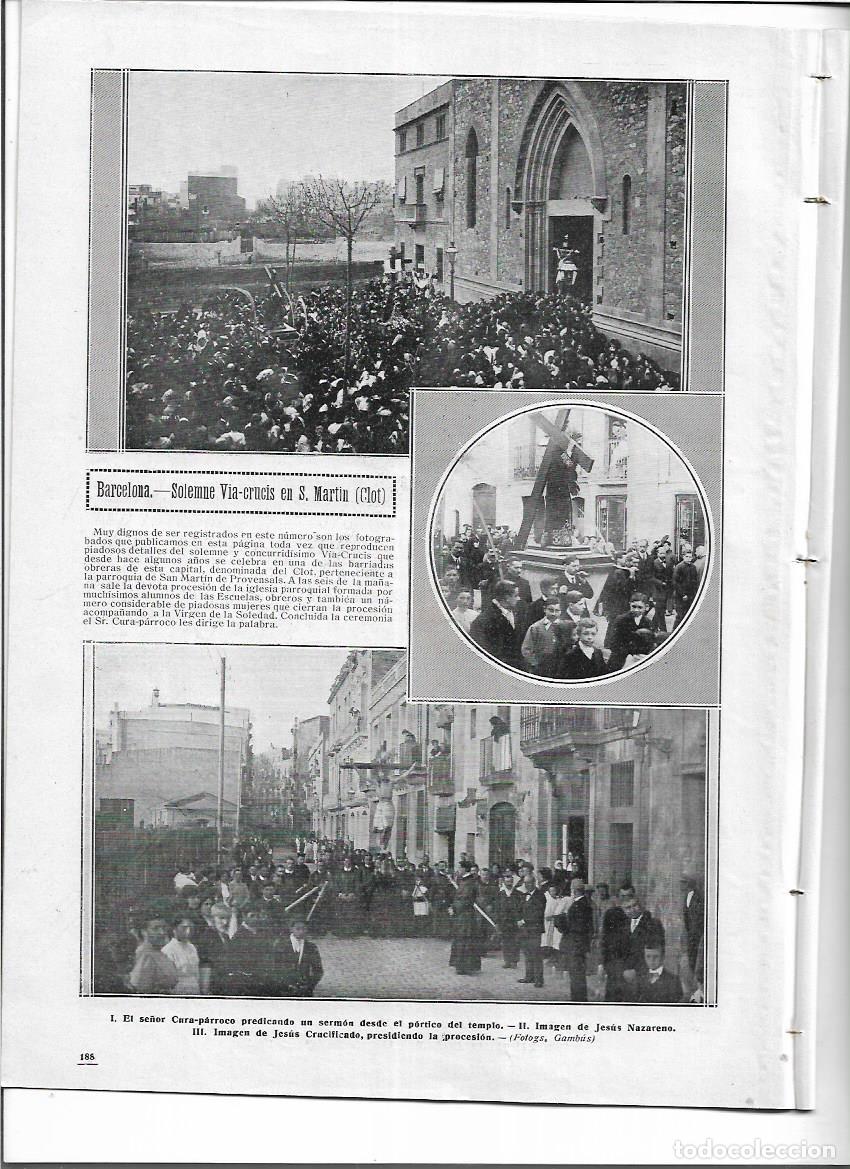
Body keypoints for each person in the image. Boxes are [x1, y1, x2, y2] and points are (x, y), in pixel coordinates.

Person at [469, 580, 526, 671]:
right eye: (516, 595)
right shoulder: (485, 620)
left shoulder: (516, 613)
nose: (519, 599)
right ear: (507, 597)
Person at [555, 880, 594, 1001]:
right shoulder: (585, 904)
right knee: (578, 974)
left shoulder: (577, 905)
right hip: (580, 943)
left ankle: (578, 1000)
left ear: (574, 890)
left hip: (575, 944)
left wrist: (559, 918)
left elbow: (570, 927)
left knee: (576, 974)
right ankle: (579, 998)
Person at [127, 914, 179, 994]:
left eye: (164, 928)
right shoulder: (146, 955)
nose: (162, 932)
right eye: (156, 929)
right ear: (144, 932)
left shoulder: (159, 953)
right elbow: (140, 988)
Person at [449, 861, 484, 975]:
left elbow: (465, 899)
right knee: (462, 939)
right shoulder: (465, 881)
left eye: (460, 868)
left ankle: (464, 966)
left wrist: (454, 908)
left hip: (465, 916)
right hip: (462, 915)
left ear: (464, 869)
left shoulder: (468, 882)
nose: (458, 870)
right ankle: (462, 965)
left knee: (464, 939)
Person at [606, 593, 656, 671]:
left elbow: (649, 643)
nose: (636, 610)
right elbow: (614, 642)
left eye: (640, 607)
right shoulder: (620, 620)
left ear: (646, 607)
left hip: (639, 658)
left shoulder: (648, 623)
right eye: (634, 606)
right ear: (630, 605)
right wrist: (629, 654)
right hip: (620, 657)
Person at [274, 919, 324, 997]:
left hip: (304, 991)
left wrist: (309, 986)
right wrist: (284, 984)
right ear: (291, 929)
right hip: (283, 991)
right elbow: (275, 968)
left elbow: (318, 970)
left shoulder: (311, 947)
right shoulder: (281, 945)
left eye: (304, 929)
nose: (301, 932)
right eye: (298, 929)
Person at [516, 871, 547, 987]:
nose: (527, 885)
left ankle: (539, 979)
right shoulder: (524, 895)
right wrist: (518, 919)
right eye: (525, 883)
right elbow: (519, 909)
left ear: (534, 883)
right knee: (527, 953)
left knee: (536, 954)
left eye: (529, 883)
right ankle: (529, 976)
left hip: (535, 929)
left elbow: (537, 914)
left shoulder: (540, 896)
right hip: (525, 929)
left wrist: (524, 920)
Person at [521, 597, 563, 675]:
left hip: (560, 668)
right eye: (551, 610)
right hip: (542, 668)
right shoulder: (535, 628)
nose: (554, 614)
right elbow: (526, 649)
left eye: (557, 611)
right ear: (544, 609)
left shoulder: (565, 626)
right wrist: (535, 664)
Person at [162, 915, 201, 996]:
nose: (188, 931)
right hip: (178, 991)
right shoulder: (168, 950)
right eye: (184, 928)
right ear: (174, 929)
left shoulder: (192, 947)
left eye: (191, 928)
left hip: (195, 990)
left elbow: (196, 973)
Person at [636, 938, 683, 1004]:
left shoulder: (674, 981)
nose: (652, 960)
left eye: (656, 957)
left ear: (663, 957)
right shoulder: (640, 978)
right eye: (648, 956)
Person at [495, 868, 524, 969]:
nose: (509, 883)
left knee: (515, 942)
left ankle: (514, 961)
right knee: (505, 942)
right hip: (503, 922)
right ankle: (507, 961)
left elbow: (521, 908)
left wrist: (520, 920)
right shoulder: (500, 895)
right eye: (507, 881)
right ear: (503, 882)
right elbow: (497, 909)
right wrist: (497, 922)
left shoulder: (518, 894)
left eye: (511, 881)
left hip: (514, 922)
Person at [681, 873, 705, 978]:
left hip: (697, 935)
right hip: (690, 935)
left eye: (683, 883)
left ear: (688, 884)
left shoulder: (698, 897)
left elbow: (698, 918)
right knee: (691, 958)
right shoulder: (686, 896)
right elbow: (686, 917)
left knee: (696, 959)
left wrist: (695, 933)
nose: (681, 886)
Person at [672, 549, 699, 627]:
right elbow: (675, 582)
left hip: (691, 595)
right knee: (680, 616)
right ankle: (675, 630)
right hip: (680, 596)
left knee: (689, 615)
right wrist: (682, 594)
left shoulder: (693, 567)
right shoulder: (679, 567)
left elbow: (694, 581)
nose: (689, 558)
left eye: (690, 557)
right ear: (683, 557)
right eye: (687, 556)